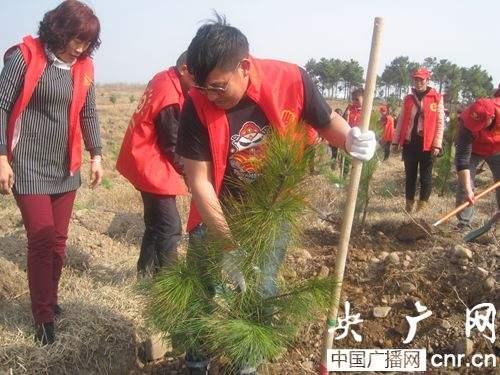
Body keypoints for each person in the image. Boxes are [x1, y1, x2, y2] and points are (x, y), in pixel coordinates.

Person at [176, 15, 376, 374]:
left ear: (245, 67)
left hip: (271, 206)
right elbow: (200, 182)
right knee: (201, 286)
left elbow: (327, 122)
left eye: (218, 87)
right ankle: (196, 362)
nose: (210, 96)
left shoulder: (291, 81)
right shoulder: (196, 103)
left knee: (261, 286)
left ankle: (245, 363)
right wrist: (229, 247)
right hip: (217, 207)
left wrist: (350, 139)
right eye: (202, 87)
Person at [0, 0, 102, 345]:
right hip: (27, 164)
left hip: (64, 165)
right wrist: (1, 157)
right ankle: (42, 318)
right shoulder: (24, 57)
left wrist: (96, 154)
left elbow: (89, 112)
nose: (81, 47)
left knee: (59, 242)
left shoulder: (83, 67)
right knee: (42, 241)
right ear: (59, 30)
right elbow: (0, 108)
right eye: (77, 39)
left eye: (88, 42)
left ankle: (51, 299)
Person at [116, 52, 194, 277]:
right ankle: (168, 284)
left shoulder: (163, 77)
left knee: (155, 223)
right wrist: (191, 174)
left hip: (139, 156)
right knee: (170, 227)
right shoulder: (169, 97)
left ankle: (145, 273)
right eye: (197, 78)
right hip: (150, 163)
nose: (198, 86)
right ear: (185, 69)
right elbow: (172, 145)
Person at [392, 67, 444, 212]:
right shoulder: (408, 98)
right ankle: (409, 205)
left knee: (426, 177)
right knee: (410, 176)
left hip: (427, 143)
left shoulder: (436, 98)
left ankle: (422, 207)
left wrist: (437, 144)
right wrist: (396, 141)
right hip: (410, 143)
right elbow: (401, 120)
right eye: (416, 79)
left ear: (427, 80)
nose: (418, 82)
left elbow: (440, 123)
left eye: (421, 79)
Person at [455, 97, 500, 229]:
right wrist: (469, 190)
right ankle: (464, 223)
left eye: (480, 125)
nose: (475, 128)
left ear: (491, 118)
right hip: (473, 150)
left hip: (497, 149)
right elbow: (462, 160)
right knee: (465, 184)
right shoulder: (466, 122)